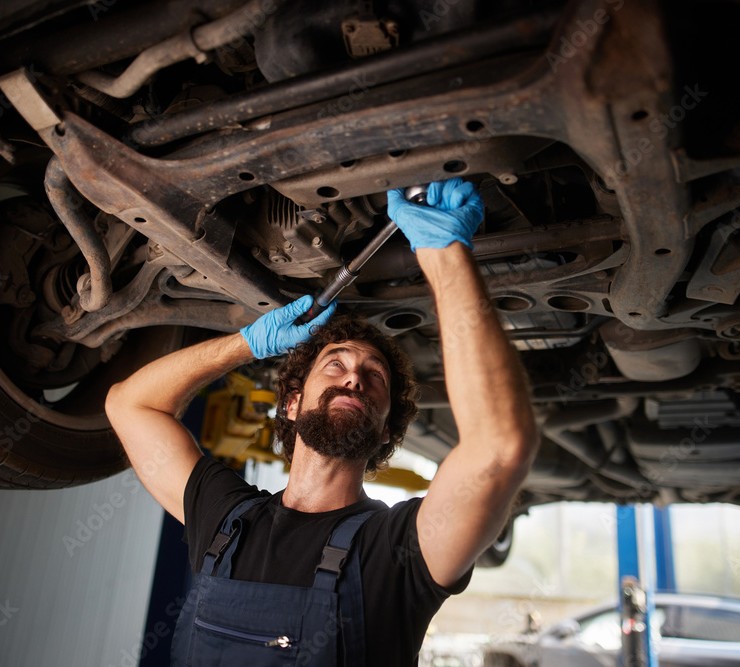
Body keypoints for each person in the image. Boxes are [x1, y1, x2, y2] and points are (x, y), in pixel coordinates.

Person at [104, 177, 539, 666]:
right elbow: (128, 406)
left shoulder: (399, 551)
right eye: (335, 364)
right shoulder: (226, 519)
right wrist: (245, 344)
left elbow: (497, 449)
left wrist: (444, 253)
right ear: (290, 403)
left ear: (386, 428)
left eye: (373, 377)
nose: (353, 377)